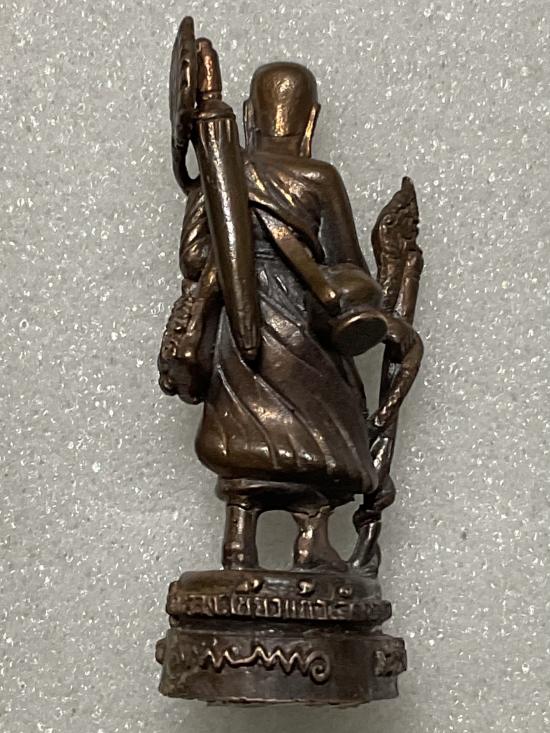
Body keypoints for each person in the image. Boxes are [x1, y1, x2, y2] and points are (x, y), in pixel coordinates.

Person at [159, 60, 399, 571]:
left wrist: (231, 268)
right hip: (295, 323)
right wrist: (350, 290)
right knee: (326, 419)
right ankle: (304, 537)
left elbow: (192, 256)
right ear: (310, 120)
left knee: (245, 423)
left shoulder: (221, 174)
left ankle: (248, 538)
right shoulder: (314, 178)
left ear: (250, 116)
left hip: (247, 321)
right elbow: (351, 266)